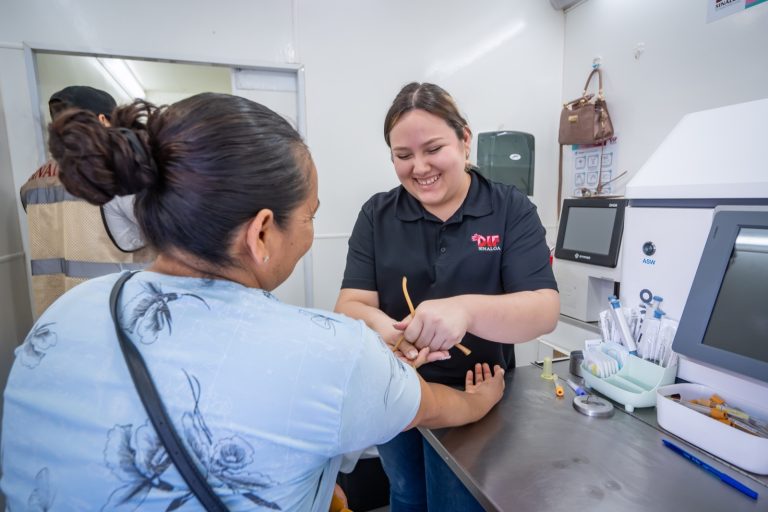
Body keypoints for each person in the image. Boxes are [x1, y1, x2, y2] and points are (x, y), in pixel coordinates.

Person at [1, 93, 506, 511]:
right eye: (309, 216)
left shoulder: (66, 313)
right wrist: (483, 398)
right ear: (262, 232)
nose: (310, 232)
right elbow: (438, 407)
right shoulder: (329, 350)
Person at [335, 82, 560, 512]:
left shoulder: (509, 209)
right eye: (402, 156)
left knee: (454, 502)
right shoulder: (378, 214)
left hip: (479, 392)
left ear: (465, 139)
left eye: (433, 149)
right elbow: (349, 306)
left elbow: (544, 309)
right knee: (405, 492)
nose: (419, 167)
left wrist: (465, 310)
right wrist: (396, 332)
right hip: (397, 386)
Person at [19, 85, 153, 318]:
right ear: (103, 120)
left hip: (56, 312)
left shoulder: (33, 181)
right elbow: (157, 228)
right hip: (114, 311)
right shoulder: (118, 173)